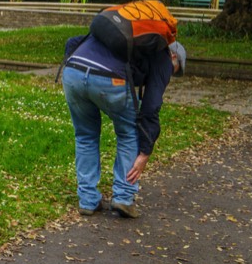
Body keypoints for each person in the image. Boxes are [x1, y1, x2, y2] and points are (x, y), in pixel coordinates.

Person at [62, 32, 186, 218]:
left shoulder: (122, 34)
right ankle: (123, 198)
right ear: (173, 56)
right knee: (130, 132)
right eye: (174, 70)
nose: (169, 74)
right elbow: (150, 107)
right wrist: (145, 151)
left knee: (85, 135)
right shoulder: (163, 56)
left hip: (72, 69)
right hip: (110, 77)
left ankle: (87, 200)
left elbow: (71, 40)